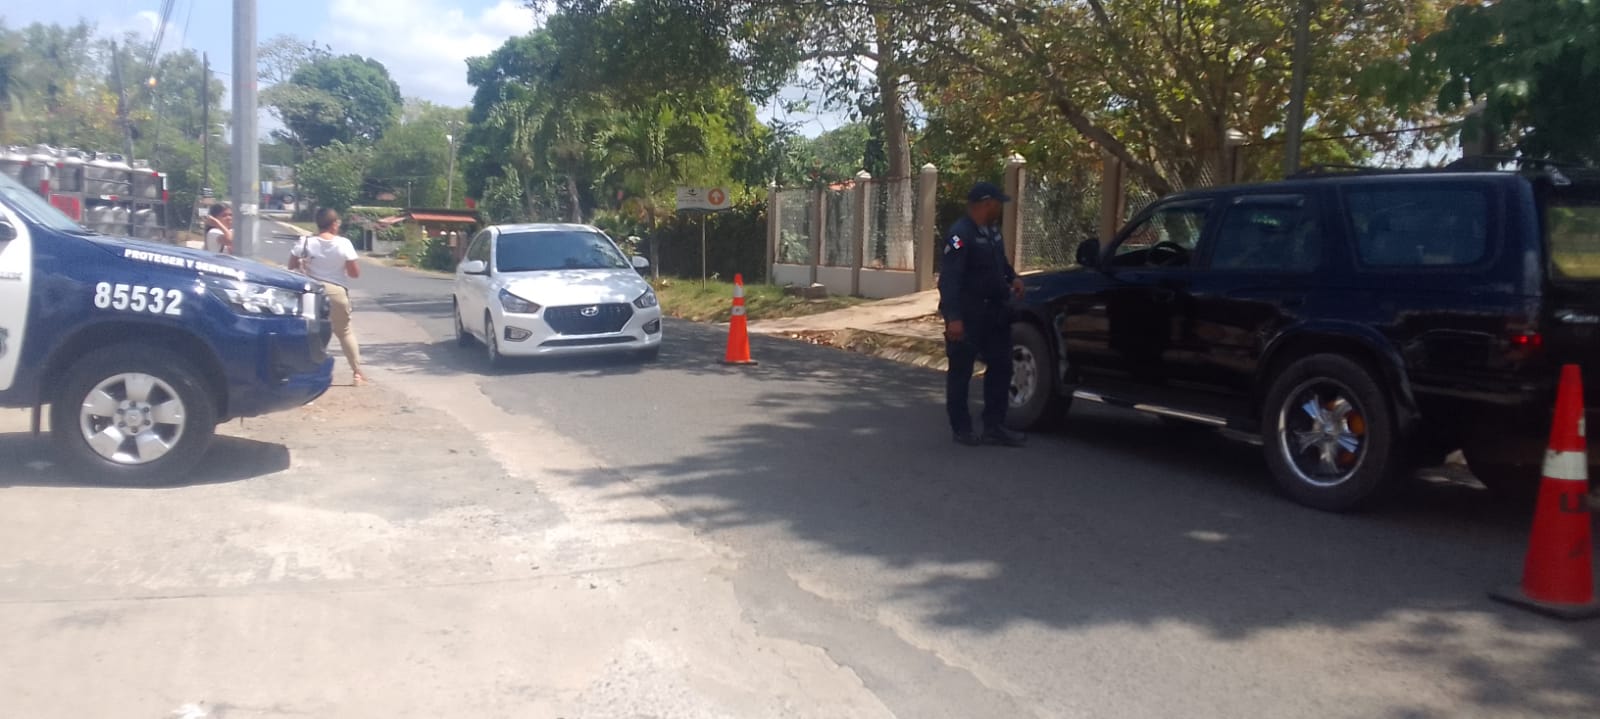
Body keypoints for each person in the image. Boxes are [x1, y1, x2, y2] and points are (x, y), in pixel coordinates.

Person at [940, 181, 1026, 447]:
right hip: (968, 314)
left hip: (995, 312)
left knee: (1001, 366)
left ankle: (994, 426)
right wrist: (954, 317)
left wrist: (1012, 277)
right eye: (997, 203)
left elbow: (999, 263)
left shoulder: (992, 231)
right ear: (987, 203)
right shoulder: (959, 234)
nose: (1000, 208)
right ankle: (962, 428)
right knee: (961, 372)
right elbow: (949, 279)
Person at [289, 208, 365, 385]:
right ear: (334, 224)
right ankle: (357, 373)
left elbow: (291, 266)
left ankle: (305, 372)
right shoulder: (344, 243)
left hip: (311, 292)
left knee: (310, 333)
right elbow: (354, 273)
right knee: (344, 332)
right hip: (336, 292)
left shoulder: (305, 242)